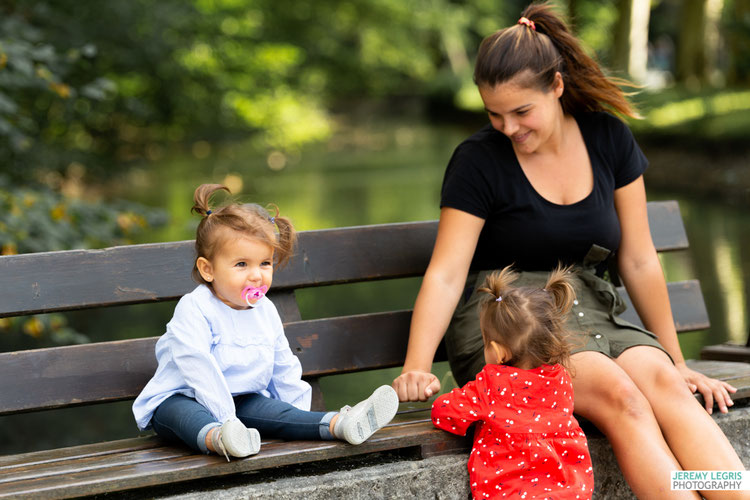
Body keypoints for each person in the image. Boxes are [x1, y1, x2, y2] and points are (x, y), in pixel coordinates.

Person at [392, 3, 747, 498]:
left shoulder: (608, 138)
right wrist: (417, 365)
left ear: (556, 86)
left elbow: (640, 258)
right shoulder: (478, 161)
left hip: (595, 307)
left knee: (666, 387)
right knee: (625, 398)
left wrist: (677, 359)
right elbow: (447, 273)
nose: (508, 128)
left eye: (521, 112)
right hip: (511, 323)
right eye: (495, 114)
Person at [133, 184, 399, 460]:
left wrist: (297, 417)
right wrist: (227, 420)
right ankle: (221, 439)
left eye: (264, 263)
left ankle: (341, 424)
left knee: (275, 411)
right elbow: (196, 364)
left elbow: (283, 366)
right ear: (208, 269)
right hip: (181, 398)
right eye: (241, 265)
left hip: (242, 402)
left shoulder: (265, 310)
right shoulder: (196, 307)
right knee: (185, 415)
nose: (256, 276)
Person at [432, 265, 594, 499]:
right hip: (569, 489)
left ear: (498, 352)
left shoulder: (491, 384)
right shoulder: (560, 378)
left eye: (486, 342)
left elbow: (444, 412)